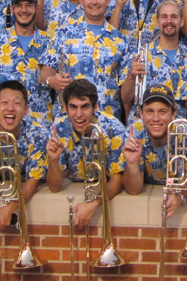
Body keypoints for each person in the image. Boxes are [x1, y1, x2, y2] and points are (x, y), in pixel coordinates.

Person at [39, 0, 129, 119]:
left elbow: (126, 87)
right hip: (68, 119)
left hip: (106, 120)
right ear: (81, 1)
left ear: (108, 0)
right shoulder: (63, 34)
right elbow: (45, 71)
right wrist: (51, 80)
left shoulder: (120, 41)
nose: (94, 2)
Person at [44, 79, 126, 228]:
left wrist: (94, 203)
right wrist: (53, 160)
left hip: (104, 190)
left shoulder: (114, 129)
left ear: (95, 107)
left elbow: (117, 180)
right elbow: (55, 187)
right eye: (73, 107)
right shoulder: (59, 129)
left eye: (85, 107)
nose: (79, 114)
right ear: (65, 108)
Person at [0, 80, 53, 231]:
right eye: (4, 102)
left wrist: (9, 208)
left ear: (26, 110)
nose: (10, 108)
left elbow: (33, 181)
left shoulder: (39, 135)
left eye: (17, 104)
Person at [121, 84, 187, 209]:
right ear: (141, 114)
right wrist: (132, 163)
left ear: (173, 113)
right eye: (150, 111)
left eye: (162, 111)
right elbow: (133, 190)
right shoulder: (133, 133)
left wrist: (180, 195)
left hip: (178, 189)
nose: (156, 118)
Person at [0, 0, 52, 122]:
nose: (24, 10)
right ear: (11, 9)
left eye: (29, 5)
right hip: (2, 124)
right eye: (19, 5)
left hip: (40, 123)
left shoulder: (50, 42)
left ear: (37, 7)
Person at [121, 0, 187, 121]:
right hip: (146, 129)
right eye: (164, 17)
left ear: (181, 22)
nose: (169, 21)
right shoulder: (140, 55)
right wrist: (131, 76)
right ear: (157, 21)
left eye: (174, 17)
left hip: (178, 131)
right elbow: (126, 98)